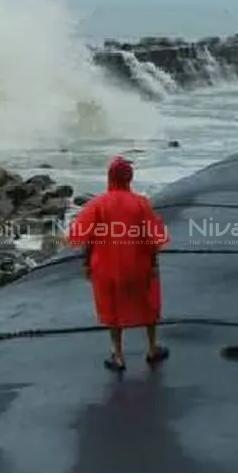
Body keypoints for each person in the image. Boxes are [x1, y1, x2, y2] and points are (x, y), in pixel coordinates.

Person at [67, 156, 170, 372]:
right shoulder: (140, 203)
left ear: (109, 177)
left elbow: (85, 238)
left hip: (106, 266)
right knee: (148, 302)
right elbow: (153, 238)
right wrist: (153, 264)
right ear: (129, 178)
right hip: (138, 263)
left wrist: (86, 264)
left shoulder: (98, 205)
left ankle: (118, 354)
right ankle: (152, 348)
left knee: (112, 306)